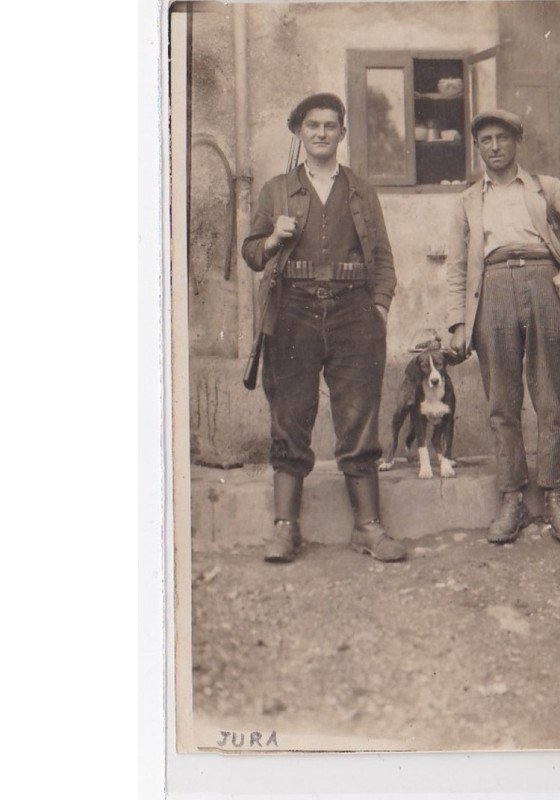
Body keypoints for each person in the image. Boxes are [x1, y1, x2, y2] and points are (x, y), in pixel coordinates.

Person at [241, 93, 406, 564]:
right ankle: (286, 528)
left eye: (330, 126)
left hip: (354, 311)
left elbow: (385, 258)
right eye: (312, 125)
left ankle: (368, 528)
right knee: (290, 415)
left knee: (358, 416)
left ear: (342, 134)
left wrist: (378, 308)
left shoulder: (361, 190)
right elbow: (251, 253)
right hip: (291, 309)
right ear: (299, 131)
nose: (320, 133)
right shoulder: (276, 190)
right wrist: (274, 237)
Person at [446, 109, 560, 544]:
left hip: (547, 288)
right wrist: (457, 321)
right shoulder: (467, 201)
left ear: (516, 141)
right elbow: (456, 270)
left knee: (549, 399)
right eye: (485, 139)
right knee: (502, 403)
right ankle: (512, 498)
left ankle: (556, 493)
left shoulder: (546, 188)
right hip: (493, 292)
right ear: (477, 147)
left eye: (502, 137)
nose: (495, 146)